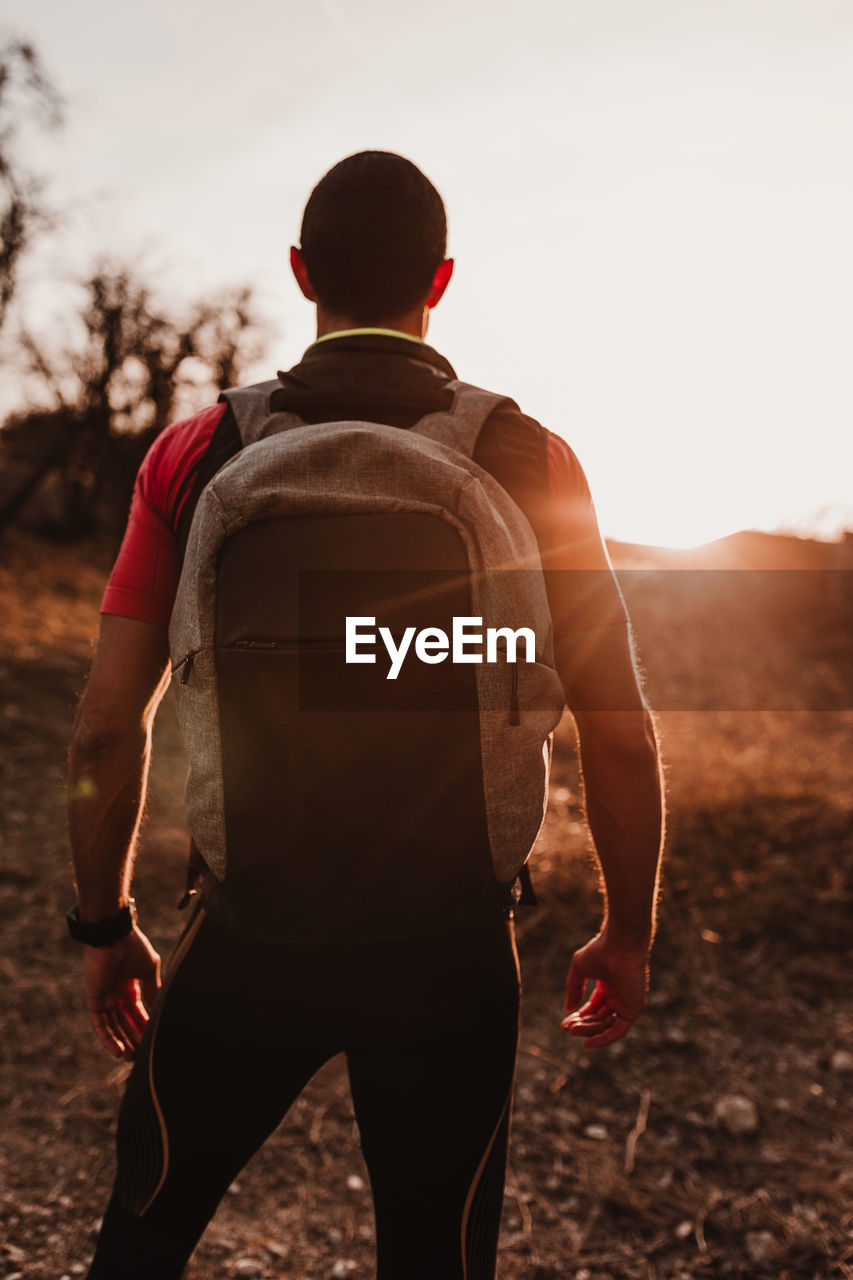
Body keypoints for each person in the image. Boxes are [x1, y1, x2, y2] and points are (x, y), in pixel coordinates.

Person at [67, 151, 664, 1279]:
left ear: (301, 273)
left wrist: (104, 926)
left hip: (248, 930)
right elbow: (620, 728)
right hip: (449, 947)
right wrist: (625, 932)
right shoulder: (533, 460)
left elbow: (106, 726)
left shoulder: (199, 452)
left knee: (143, 1231)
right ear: (439, 281)